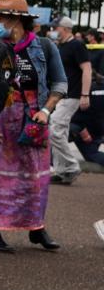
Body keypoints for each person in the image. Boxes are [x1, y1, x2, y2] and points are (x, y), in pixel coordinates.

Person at [0, 0, 67, 253]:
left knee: (35, 176)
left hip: (32, 118)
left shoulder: (44, 47)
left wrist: (45, 110)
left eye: (1, 18)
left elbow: (60, 83)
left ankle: (36, 227)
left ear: (16, 18)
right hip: (0, 117)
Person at [49, 16, 92, 185]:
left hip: (73, 95)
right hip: (61, 95)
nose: (54, 31)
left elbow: (87, 70)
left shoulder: (76, 45)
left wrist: (85, 94)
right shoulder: (62, 46)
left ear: (64, 28)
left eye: (56, 27)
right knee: (60, 131)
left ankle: (71, 166)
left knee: (55, 129)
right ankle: (62, 171)